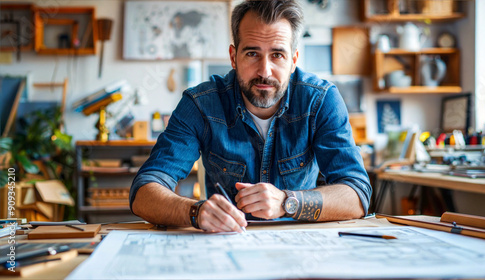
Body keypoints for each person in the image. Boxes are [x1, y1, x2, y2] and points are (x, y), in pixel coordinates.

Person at [130, 0, 371, 233]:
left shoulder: (321, 100)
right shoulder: (200, 104)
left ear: (294, 60)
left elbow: (357, 194)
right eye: (252, 54)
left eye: (277, 55)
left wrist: (288, 202)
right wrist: (196, 212)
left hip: (300, 248)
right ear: (233, 57)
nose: (264, 71)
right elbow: (144, 192)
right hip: (225, 244)